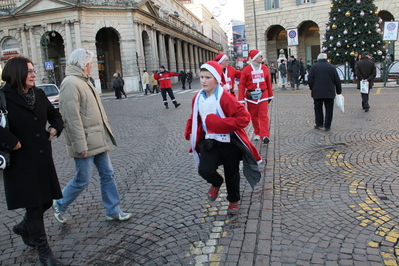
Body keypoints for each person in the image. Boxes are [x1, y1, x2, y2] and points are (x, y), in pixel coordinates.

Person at [54, 48, 132, 224]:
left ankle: (113, 210)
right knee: (83, 179)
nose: (92, 67)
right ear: (83, 65)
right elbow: (71, 119)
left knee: (108, 174)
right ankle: (59, 203)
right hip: (85, 142)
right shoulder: (70, 83)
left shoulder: (84, 81)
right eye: (90, 64)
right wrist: (80, 145)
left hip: (97, 138)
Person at [0, 56, 64, 266]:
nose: (34, 74)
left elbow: (54, 115)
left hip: (42, 158)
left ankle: (23, 227)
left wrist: (55, 127)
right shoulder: (3, 96)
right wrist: (9, 140)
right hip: (20, 162)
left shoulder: (37, 93)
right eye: (29, 71)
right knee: (35, 206)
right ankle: (45, 254)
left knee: (46, 201)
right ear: (17, 72)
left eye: (34, 70)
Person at [184, 61, 262, 215]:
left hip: (229, 143)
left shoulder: (225, 97)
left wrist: (220, 124)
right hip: (209, 141)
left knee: (232, 173)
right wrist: (190, 129)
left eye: (208, 77)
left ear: (217, 79)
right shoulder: (197, 97)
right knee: (204, 170)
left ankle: (233, 201)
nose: (204, 81)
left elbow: (244, 118)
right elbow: (196, 116)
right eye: (202, 77)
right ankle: (216, 182)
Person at [238, 49, 274, 144]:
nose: (262, 58)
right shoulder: (246, 70)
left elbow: (268, 82)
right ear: (254, 58)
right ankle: (257, 132)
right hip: (251, 96)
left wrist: (270, 95)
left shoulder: (265, 68)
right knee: (253, 116)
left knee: (263, 115)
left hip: (263, 95)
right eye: (260, 56)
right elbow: (241, 84)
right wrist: (241, 99)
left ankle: (265, 135)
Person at [307, 53, 342, 131]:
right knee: (329, 109)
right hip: (329, 92)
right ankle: (327, 125)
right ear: (326, 58)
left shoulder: (314, 67)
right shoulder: (331, 67)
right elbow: (337, 80)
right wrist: (339, 92)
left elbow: (310, 79)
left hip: (317, 92)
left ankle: (319, 124)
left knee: (318, 108)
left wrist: (312, 88)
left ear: (318, 58)